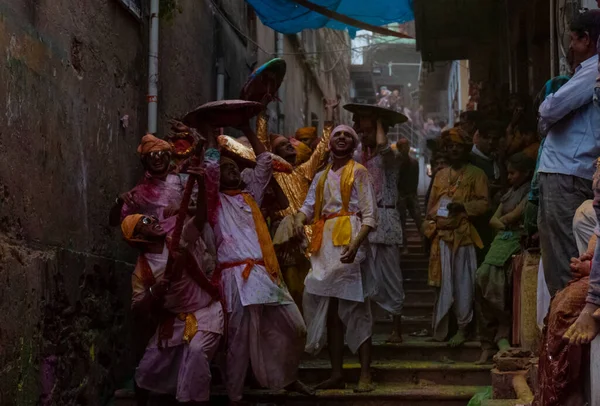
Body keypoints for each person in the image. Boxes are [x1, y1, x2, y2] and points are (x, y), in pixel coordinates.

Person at [202, 123, 311, 402]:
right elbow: (210, 170)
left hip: (263, 273)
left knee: (295, 326)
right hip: (234, 278)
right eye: (228, 169)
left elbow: (264, 162)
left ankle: (288, 377)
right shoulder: (213, 203)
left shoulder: (251, 198)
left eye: (236, 169)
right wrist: (211, 136)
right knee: (237, 341)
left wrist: (250, 129)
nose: (234, 172)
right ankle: (235, 396)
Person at [293, 125, 377, 392]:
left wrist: (356, 243)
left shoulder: (360, 172)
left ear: (353, 145)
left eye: (347, 135)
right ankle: (337, 373)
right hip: (323, 245)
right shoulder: (321, 175)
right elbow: (307, 206)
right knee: (330, 312)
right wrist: (297, 219)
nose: (341, 138)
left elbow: (369, 215)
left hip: (349, 240)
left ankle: (366, 374)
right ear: (328, 144)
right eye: (337, 135)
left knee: (356, 307)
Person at [121, 211, 223, 406]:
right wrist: (154, 291)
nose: (152, 220)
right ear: (138, 237)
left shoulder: (180, 241)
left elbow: (201, 216)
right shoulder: (141, 271)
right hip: (175, 320)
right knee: (144, 373)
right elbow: (137, 310)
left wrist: (200, 182)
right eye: (145, 221)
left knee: (196, 352)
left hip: (205, 311)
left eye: (152, 217)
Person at [537, 10, 600, 296]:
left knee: (566, 263)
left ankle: (565, 335)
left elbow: (549, 109)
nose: (571, 48)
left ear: (586, 39)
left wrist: (549, 111)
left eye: (574, 40)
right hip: (576, 171)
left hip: (568, 173)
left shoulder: (593, 69)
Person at [268, 98, 339, 309]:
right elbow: (261, 144)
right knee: (292, 289)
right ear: (274, 153)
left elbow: (323, 149)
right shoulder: (269, 173)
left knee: (313, 285)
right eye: (282, 145)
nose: (288, 146)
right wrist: (262, 111)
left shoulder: (303, 171)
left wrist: (328, 116)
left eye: (289, 143)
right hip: (284, 237)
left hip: (308, 233)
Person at [423, 128, 489, 346]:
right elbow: (431, 206)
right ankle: (444, 327)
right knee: (443, 285)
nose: (453, 150)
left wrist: (462, 206)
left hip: (464, 237)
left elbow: (484, 204)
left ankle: (463, 327)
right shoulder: (441, 175)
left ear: (465, 149)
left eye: (458, 146)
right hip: (441, 238)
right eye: (450, 147)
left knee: (463, 283)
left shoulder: (477, 174)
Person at [352, 106, 406, 343]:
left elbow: (384, 147)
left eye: (369, 131)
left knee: (391, 275)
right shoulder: (358, 159)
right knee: (364, 277)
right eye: (361, 131)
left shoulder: (391, 157)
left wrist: (379, 123)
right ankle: (367, 329)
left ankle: (397, 329)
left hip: (386, 220)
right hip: (363, 223)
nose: (364, 136)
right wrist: (360, 131)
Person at [475, 153, 534, 364]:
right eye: (508, 172)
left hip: (516, 241)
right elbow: (494, 220)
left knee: (502, 283)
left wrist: (505, 223)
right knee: (482, 277)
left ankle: (502, 337)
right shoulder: (509, 192)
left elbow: (513, 216)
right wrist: (506, 224)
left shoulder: (530, 192)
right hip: (502, 239)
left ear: (526, 173)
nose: (508, 177)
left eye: (512, 173)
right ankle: (488, 342)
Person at [397, 138, 423, 255]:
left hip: (411, 195)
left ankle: (425, 244)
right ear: (399, 148)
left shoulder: (414, 163)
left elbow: (415, 180)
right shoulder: (395, 162)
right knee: (401, 222)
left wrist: (413, 194)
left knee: (419, 220)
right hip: (400, 195)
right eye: (403, 146)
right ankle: (404, 246)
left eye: (407, 145)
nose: (405, 148)